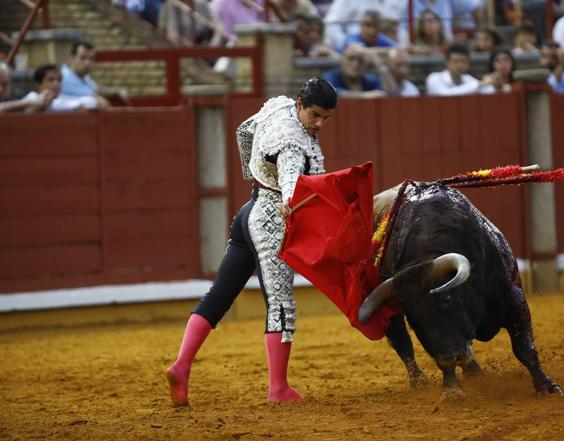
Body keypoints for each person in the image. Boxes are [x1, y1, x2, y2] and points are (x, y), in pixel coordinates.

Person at [166, 77, 338, 407]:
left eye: (326, 118)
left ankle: (182, 365)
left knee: (219, 294)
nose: (320, 124)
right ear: (301, 105)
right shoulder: (293, 143)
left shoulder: (278, 106)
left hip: (249, 213)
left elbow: (244, 131)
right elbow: (291, 178)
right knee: (281, 303)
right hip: (271, 221)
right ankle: (278, 389)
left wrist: (255, 174)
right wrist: (287, 197)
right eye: (315, 115)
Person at [61, 41, 128, 106]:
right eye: (83, 58)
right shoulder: (63, 77)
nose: (87, 63)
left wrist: (116, 92)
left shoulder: (81, 75)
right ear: (72, 58)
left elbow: (95, 88)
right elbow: (102, 103)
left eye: (91, 59)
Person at [323, 0, 403, 53]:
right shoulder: (352, 38)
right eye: (368, 26)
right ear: (361, 26)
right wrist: (344, 45)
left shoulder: (380, 38)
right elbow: (331, 24)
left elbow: (398, 48)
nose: (371, 31)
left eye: (375, 27)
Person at [321, 44, 389, 97]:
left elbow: (386, 94)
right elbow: (332, 93)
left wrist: (379, 64)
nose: (356, 64)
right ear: (342, 61)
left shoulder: (371, 81)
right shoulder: (331, 76)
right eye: (351, 59)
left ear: (365, 64)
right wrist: (366, 96)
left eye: (360, 60)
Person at [24, 64, 100, 111]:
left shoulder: (62, 98)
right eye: (51, 80)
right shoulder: (32, 97)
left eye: (59, 80)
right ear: (38, 85)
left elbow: (91, 101)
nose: (57, 83)